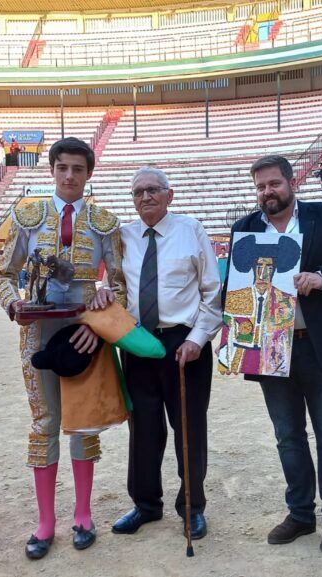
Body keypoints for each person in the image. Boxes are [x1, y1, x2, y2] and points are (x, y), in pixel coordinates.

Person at [228, 154, 322, 556]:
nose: (267, 192)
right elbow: (235, 291)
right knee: (287, 437)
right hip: (272, 350)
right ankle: (300, 513)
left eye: (273, 184)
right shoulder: (245, 229)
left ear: (292, 183)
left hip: (317, 344)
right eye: (260, 187)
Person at [0, 137, 126, 560]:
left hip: (85, 332)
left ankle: (83, 514)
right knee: (45, 421)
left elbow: (120, 283)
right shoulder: (28, 215)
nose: (70, 176)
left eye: (78, 170)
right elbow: (3, 275)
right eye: (63, 168)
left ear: (89, 174)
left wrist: (103, 315)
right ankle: (46, 521)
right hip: (38, 331)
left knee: (83, 421)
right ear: (52, 170)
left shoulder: (105, 221)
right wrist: (14, 304)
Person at [100, 166, 222, 542]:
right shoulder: (122, 236)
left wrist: (197, 339)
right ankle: (146, 504)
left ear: (170, 195)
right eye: (138, 192)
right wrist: (103, 291)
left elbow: (212, 292)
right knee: (143, 428)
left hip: (183, 343)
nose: (145, 197)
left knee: (189, 426)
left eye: (153, 190)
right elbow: (115, 283)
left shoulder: (191, 230)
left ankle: (192, 507)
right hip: (138, 343)